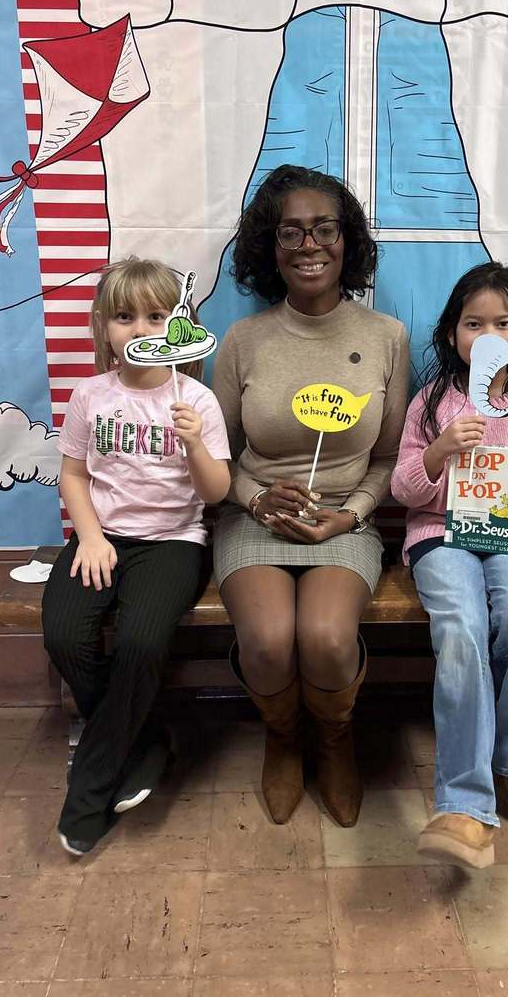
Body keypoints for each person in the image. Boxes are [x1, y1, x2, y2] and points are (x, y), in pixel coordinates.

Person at [212, 164, 410, 828]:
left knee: (325, 638)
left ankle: (334, 738)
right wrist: (253, 499)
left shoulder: (386, 337)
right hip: (254, 519)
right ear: (269, 248)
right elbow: (216, 456)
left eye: (324, 228)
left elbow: (389, 459)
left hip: (344, 520)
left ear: (347, 241)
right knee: (269, 641)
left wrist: (350, 516)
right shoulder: (243, 341)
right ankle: (283, 737)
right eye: (290, 232)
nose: (308, 244)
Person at [42, 257, 231, 855]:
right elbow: (74, 475)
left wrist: (194, 444)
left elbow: (216, 493)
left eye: (156, 316)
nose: (140, 330)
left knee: (141, 644)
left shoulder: (196, 399)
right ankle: (145, 739)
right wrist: (90, 536)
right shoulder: (91, 395)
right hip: (101, 536)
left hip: (173, 542)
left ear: (179, 325)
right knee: (64, 635)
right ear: (103, 326)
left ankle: (88, 794)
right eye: (124, 317)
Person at [391, 261, 508, 869]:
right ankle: (465, 804)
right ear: (452, 333)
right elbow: (404, 489)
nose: (488, 334)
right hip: (441, 535)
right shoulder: (431, 402)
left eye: (503, 322)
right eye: (474, 323)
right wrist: (440, 450)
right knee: (461, 628)